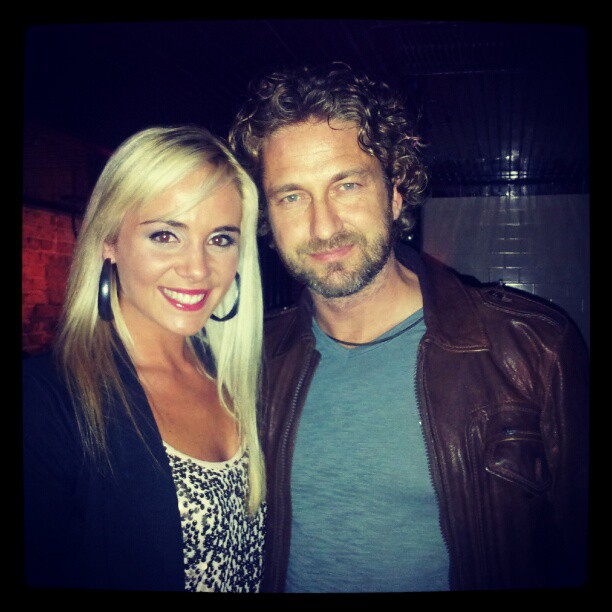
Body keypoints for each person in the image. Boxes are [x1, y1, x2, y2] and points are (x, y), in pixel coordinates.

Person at [229, 63, 589, 592]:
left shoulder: (537, 349)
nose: (323, 226)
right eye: (292, 196)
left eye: (347, 185)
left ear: (395, 191)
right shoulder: (248, 361)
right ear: (267, 213)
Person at [22, 125, 266, 591]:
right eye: (165, 235)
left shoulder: (240, 378)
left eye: (220, 239)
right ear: (109, 241)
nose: (197, 269)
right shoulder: (48, 400)